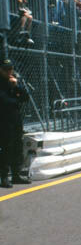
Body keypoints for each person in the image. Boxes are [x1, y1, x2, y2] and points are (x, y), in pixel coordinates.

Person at [0, 59, 30, 187]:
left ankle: (16, 175)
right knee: (6, 147)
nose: (9, 71)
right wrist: (15, 99)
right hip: (3, 119)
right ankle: (4, 177)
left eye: (11, 69)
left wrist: (17, 86)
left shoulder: (13, 82)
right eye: (6, 69)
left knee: (17, 146)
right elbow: (5, 101)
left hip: (15, 118)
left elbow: (25, 98)